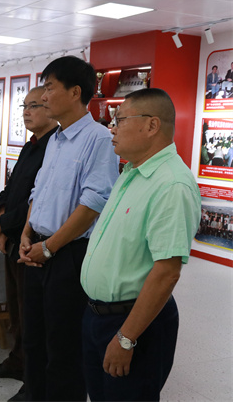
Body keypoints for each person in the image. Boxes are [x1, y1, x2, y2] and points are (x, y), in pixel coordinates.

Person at [81, 88, 200, 401]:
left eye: (120, 120)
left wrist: (126, 338)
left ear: (151, 126)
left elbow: (167, 272)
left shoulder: (171, 184)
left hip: (133, 324)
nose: (112, 128)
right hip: (99, 315)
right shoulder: (132, 171)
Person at [18, 56, 118, 401]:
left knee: (63, 347)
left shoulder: (98, 139)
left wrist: (49, 248)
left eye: (49, 88)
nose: (44, 97)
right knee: (33, 339)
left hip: (68, 255)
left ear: (75, 92)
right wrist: (27, 233)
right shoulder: (56, 139)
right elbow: (39, 191)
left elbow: (92, 204)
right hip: (37, 249)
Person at [0, 86, 57, 401]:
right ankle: (18, 361)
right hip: (13, 239)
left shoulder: (53, 148)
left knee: (32, 316)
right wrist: (0, 221)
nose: (27, 112)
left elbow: (35, 200)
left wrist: (2, 225)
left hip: (32, 243)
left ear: (50, 108)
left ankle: (32, 376)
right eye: (24, 106)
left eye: (34, 106)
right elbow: (10, 189)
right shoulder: (30, 146)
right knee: (15, 308)